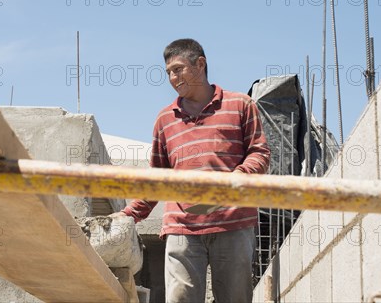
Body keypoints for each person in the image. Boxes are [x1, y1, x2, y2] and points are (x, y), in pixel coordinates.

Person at [112, 38, 270, 303]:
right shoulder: (165, 119)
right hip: (182, 228)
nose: (173, 78)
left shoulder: (241, 105)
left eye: (178, 69)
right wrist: (128, 215)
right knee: (181, 299)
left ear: (200, 64)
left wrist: (239, 176)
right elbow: (158, 178)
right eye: (168, 73)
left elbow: (260, 152)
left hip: (233, 223)